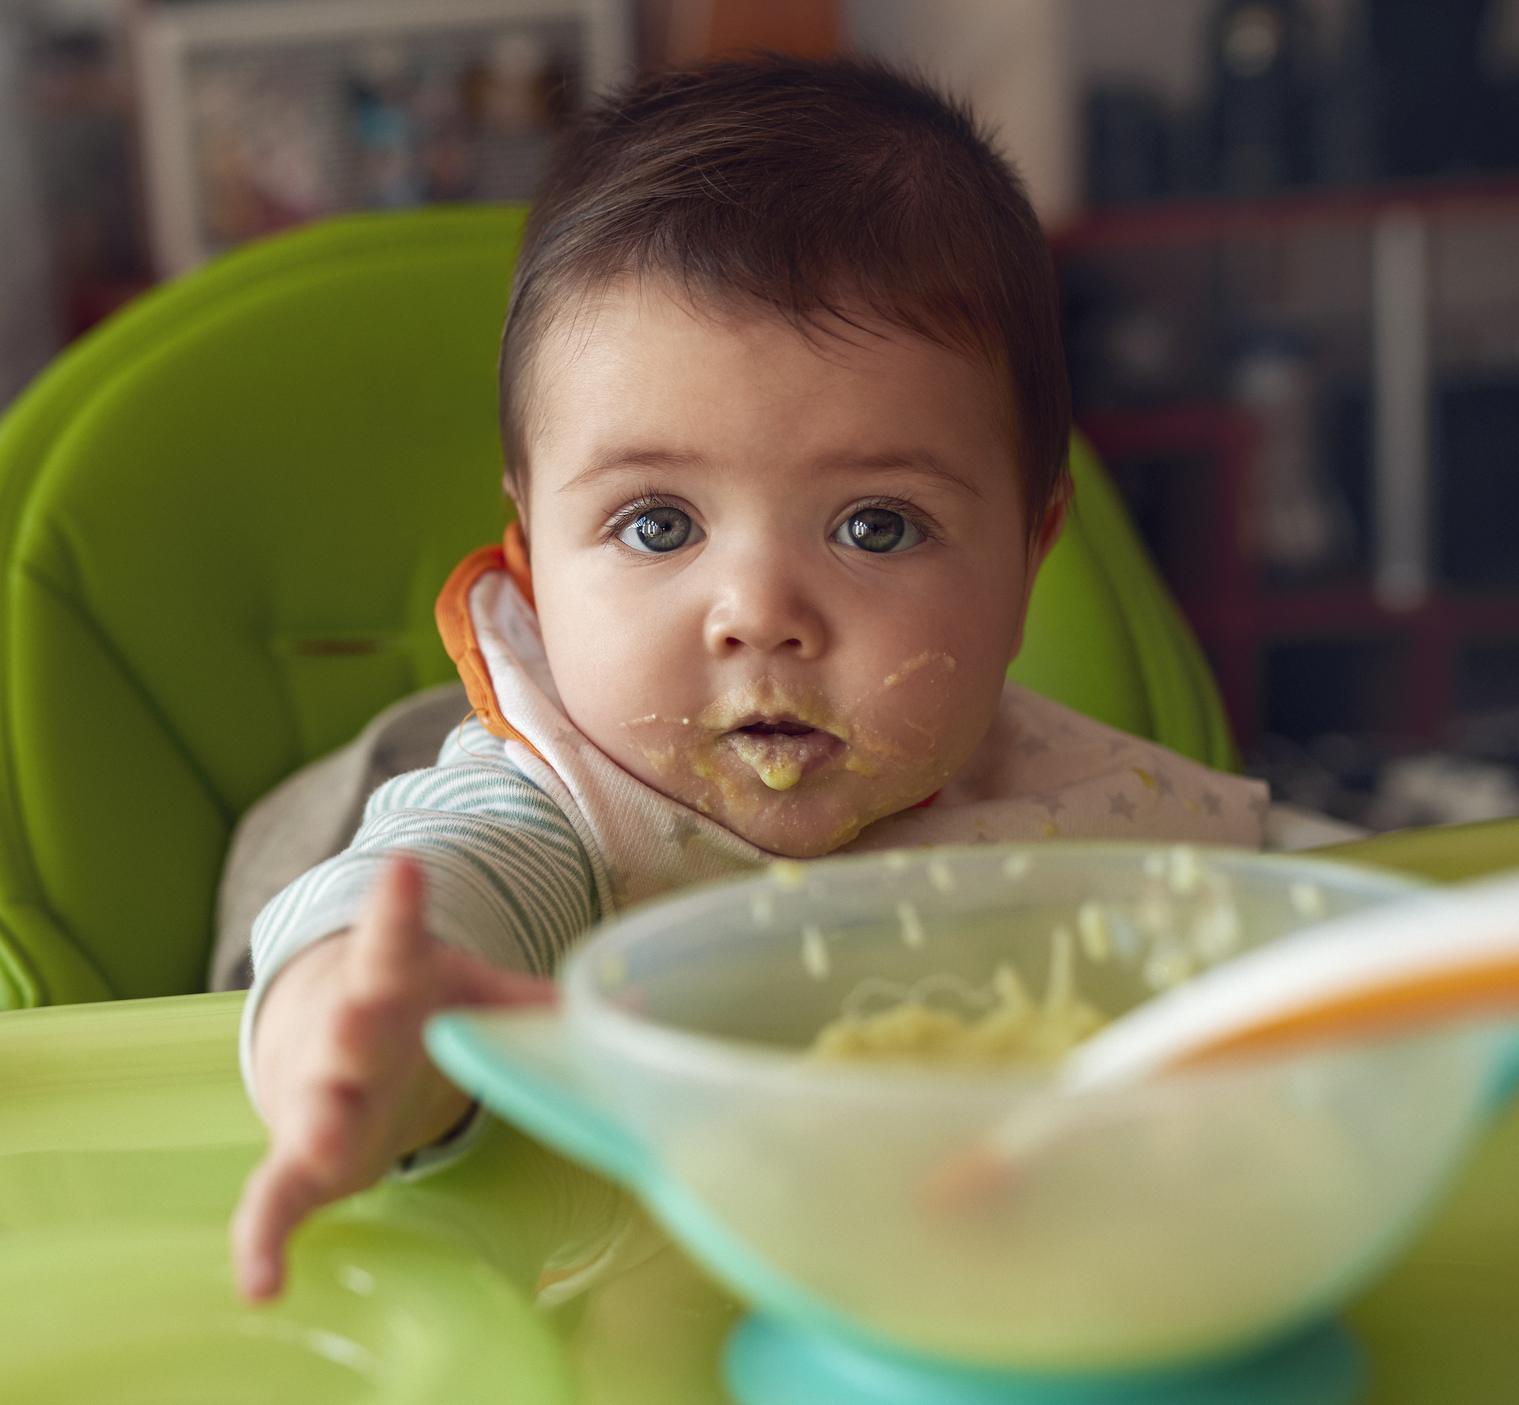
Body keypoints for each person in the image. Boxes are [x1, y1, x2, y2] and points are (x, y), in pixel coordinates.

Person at [228, 53, 1268, 1302]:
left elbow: (1340, 945)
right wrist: (359, 1036)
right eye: (658, 525)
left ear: (1026, 557)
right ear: (534, 564)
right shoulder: (557, 814)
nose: (759, 617)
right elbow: (424, 900)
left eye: (875, 526)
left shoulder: (1076, 810)